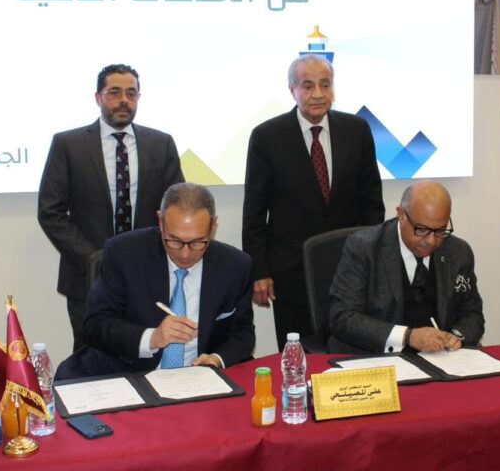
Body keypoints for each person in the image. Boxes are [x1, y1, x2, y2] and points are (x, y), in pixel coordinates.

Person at [242, 54, 385, 350]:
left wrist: (374, 260)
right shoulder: (267, 137)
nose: (318, 94)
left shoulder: (357, 130)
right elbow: (254, 212)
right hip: (291, 276)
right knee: (299, 358)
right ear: (292, 90)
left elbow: (372, 203)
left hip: (350, 271)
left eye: (325, 84)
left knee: (352, 353)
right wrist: (260, 271)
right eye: (308, 86)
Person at [38, 64, 184, 351]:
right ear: (98, 97)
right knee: (91, 358)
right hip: (87, 277)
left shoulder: (161, 143)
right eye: (114, 92)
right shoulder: (68, 144)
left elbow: (175, 208)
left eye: (131, 93)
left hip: (147, 274)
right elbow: (50, 211)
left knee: (146, 353)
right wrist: (95, 258)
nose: (124, 100)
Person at [55, 183, 255, 379]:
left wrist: (216, 359)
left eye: (197, 242)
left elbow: (243, 333)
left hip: (197, 380)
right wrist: (152, 337)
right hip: (130, 373)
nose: (185, 254)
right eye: (174, 241)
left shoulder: (235, 266)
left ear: (213, 226)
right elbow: (95, 326)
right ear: (161, 222)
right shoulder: (124, 254)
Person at [328, 180, 484, 354]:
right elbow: (343, 317)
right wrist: (407, 336)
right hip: (374, 357)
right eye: (422, 229)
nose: (432, 240)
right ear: (401, 214)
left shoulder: (458, 252)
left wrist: (456, 336)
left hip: (439, 358)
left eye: (440, 230)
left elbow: (472, 314)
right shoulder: (364, 248)